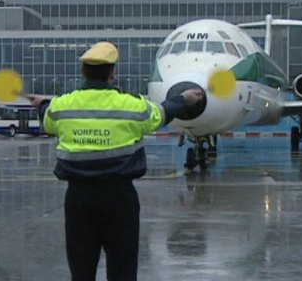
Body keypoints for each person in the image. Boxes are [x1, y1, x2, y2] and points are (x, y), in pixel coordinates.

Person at [26, 41, 204, 281]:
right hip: (120, 199)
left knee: (81, 269)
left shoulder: (61, 107)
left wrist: (43, 103)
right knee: (122, 268)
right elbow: (161, 114)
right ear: (112, 73)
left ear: (82, 72)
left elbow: (48, 118)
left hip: (79, 199)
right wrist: (183, 99)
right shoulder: (132, 106)